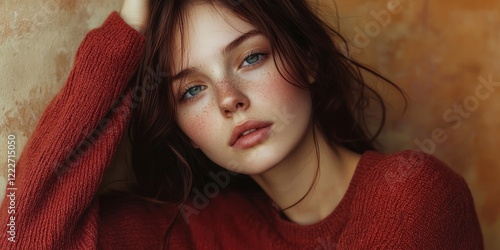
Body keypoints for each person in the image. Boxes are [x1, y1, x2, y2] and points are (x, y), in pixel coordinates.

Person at [0, 0, 484, 249]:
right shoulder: (195, 230)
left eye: (251, 57)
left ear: (308, 59)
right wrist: (128, 30)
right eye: (191, 90)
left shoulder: (413, 193)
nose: (229, 99)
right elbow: (20, 234)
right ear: (181, 128)